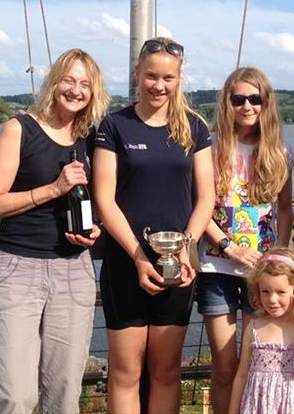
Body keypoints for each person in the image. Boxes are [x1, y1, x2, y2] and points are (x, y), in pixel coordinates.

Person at [0, 48, 108, 414]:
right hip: (18, 269)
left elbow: (99, 199)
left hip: (73, 271)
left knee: (64, 395)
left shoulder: (91, 137)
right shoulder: (20, 129)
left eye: (85, 84)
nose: (76, 90)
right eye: (69, 80)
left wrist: (95, 228)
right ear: (54, 82)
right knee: (13, 396)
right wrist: (54, 188)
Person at [93, 37, 215, 414]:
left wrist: (186, 247)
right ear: (136, 74)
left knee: (165, 371)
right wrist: (137, 255)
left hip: (178, 266)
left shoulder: (194, 128)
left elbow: (206, 197)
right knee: (125, 373)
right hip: (125, 264)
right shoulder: (114, 126)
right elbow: (104, 198)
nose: (158, 85)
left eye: (168, 77)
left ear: (178, 79)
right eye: (151, 76)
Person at [197, 66, 294, 414]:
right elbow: (199, 208)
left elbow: (285, 208)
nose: (247, 106)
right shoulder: (209, 147)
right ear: (227, 103)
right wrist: (227, 246)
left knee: (255, 365)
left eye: (255, 98)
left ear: (266, 103)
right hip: (215, 265)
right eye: (238, 99)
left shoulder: (280, 152)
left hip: (262, 275)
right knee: (224, 367)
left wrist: (279, 257)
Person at [228, 248, 294, 414]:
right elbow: (241, 376)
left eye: (281, 292)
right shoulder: (254, 328)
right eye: (265, 292)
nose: (272, 299)